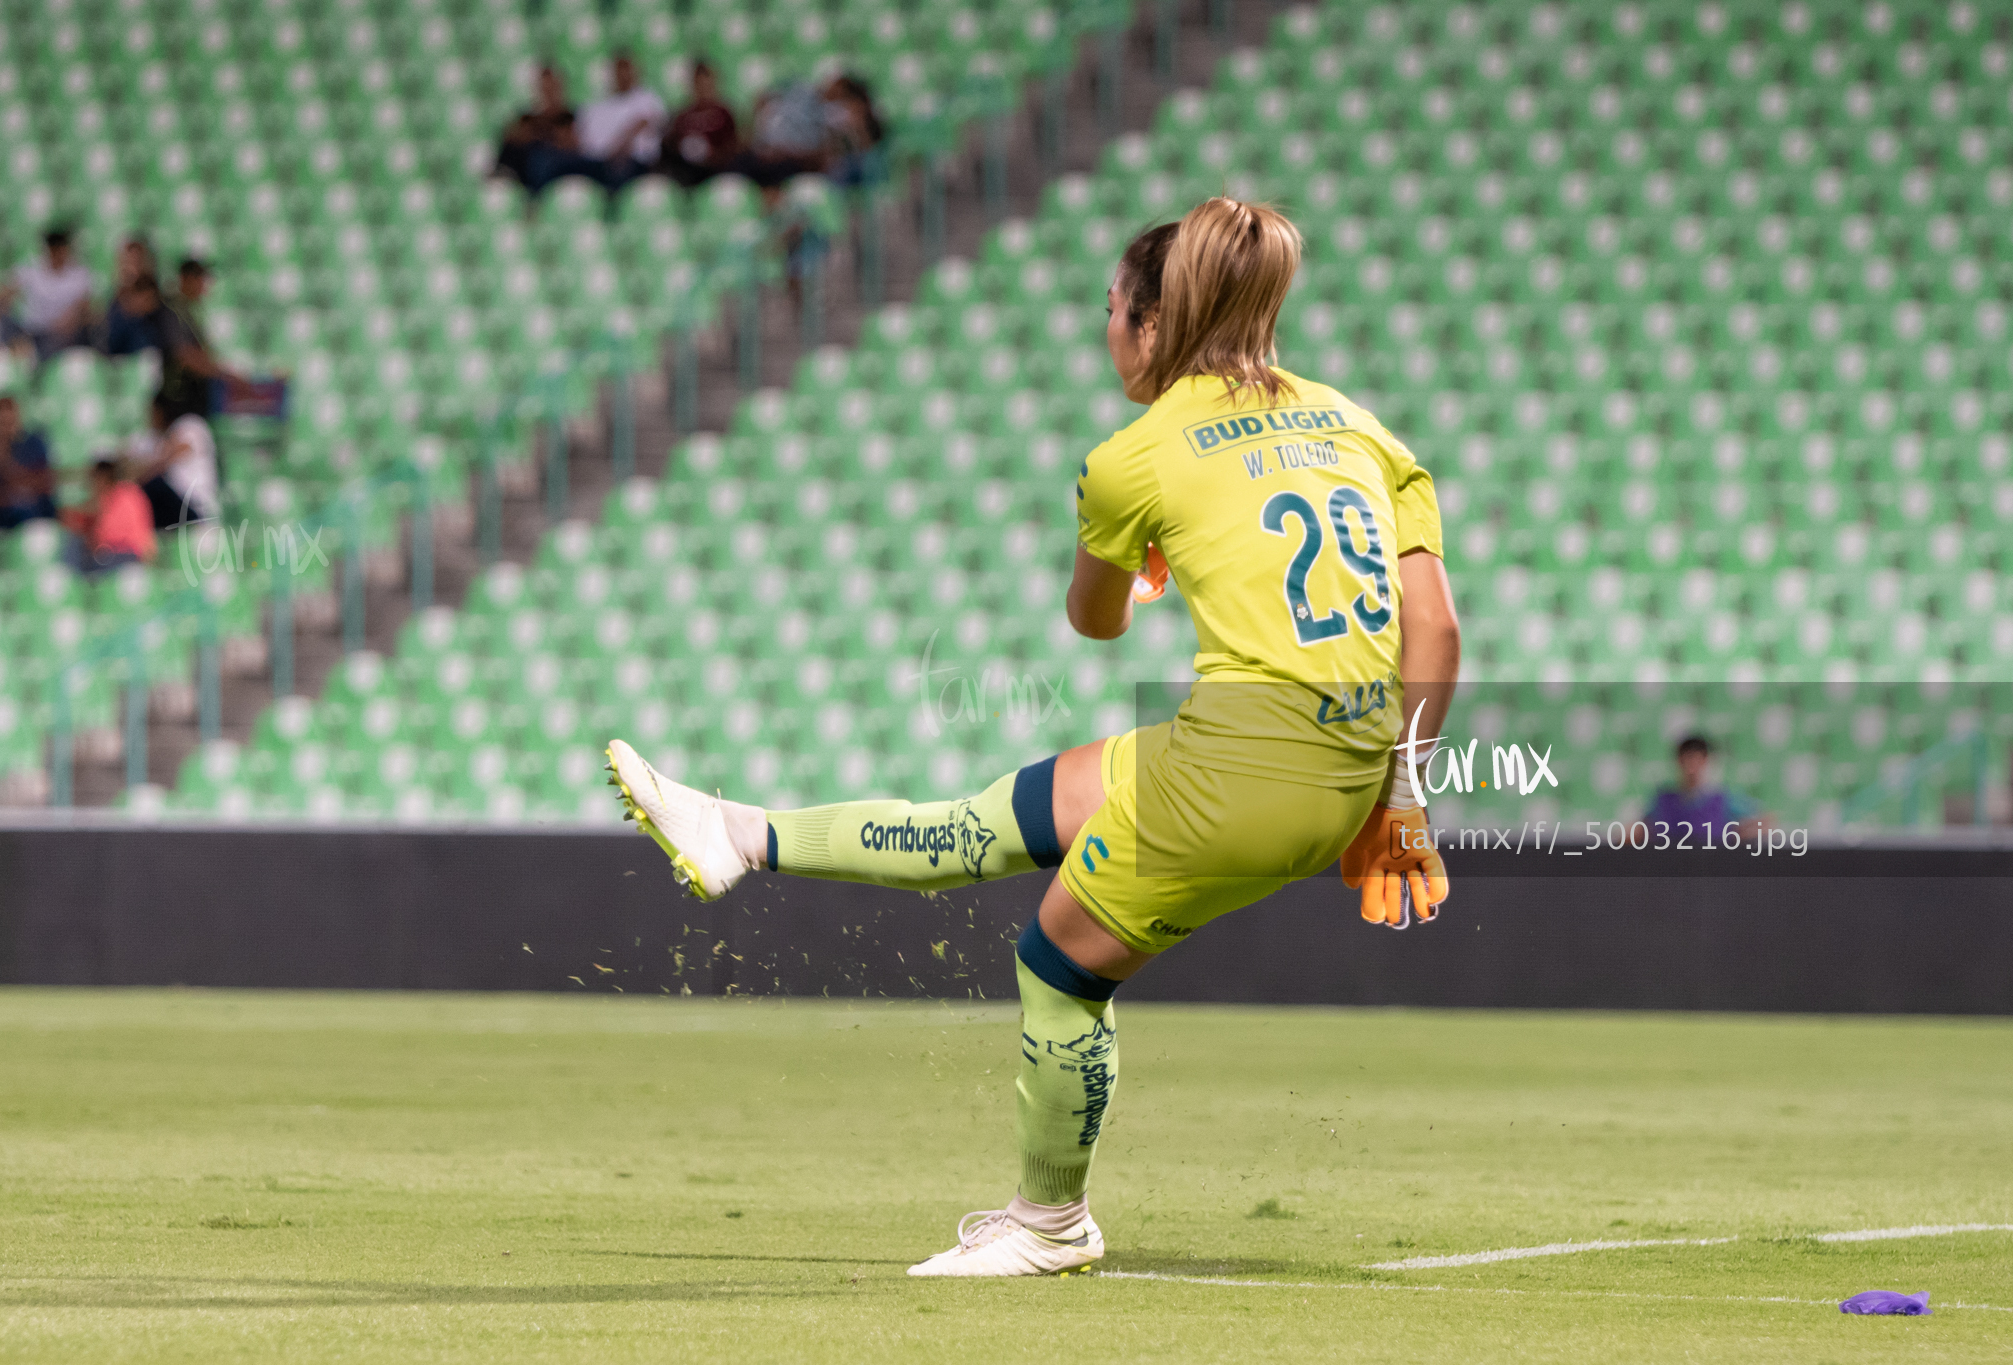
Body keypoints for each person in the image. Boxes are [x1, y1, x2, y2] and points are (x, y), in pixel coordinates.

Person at [604, 199, 1461, 1277]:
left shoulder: (1133, 458)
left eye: (1111, 311)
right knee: (984, 823)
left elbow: (1093, 621)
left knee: (1056, 966)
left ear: (1153, 327)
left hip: (1236, 773)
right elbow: (1432, 628)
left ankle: (1051, 1224)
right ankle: (734, 832)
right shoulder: (1358, 426)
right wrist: (1401, 800)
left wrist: (1142, 565)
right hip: (1340, 763)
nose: (1106, 329)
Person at [156, 259, 250, 424]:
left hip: (193, 398)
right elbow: (184, 354)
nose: (204, 284)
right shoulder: (172, 310)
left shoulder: (188, 310)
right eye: (199, 278)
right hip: (178, 401)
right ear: (185, 279)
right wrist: (225, 375)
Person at [0, 227, 96, 362]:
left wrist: (71, 319)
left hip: (57, 336)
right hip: (29, 329)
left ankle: (30, 357)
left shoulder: (79, 275)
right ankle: (8, 354)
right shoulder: (33, 268)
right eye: (53, 249)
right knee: (3, 321)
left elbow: (85, 308)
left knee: (64, 339)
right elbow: (4, 292)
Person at [496, 65, 601, 197]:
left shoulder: (570, 114)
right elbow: (513, 136)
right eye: (545, 87)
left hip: (558, 162)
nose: (548, 91)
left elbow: (573, 144)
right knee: (513, 151)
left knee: (540, 159)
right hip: (530, 161)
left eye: (552, 86)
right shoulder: (530, 116)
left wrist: (541, 135)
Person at [1644, 734, 1764, 840]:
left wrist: (1741, 834)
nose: (1692, 767)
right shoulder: (1663, 801)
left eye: (1697, 759)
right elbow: (1641, 829)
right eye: (1687, 759)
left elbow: (1763, 822)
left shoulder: (1725, 799)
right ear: (1679, 761)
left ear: (1706, 761)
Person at [0, 394, 59, 531]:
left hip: (28, 508)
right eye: (2, 422)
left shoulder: (34, 444)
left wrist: (5, 465)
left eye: (9, 422)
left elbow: (42, 480)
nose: (6, 427)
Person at [576, 52, 667, 189]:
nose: (623, 74)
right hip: (596, 160)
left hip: (634, 160)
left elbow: (645, 122)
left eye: (627, 69)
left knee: (619, 173)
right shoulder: (598, 103)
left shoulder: (647, 98)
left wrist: (620, 148)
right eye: (619, 70)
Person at [128, 394, 220, 529]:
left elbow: (168, 459)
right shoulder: (157, 438)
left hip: (194, 505)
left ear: (161, 411)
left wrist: (137, 476)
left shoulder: (191, 425)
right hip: (175, 505)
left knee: (151, 485)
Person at [59, 458, 156, 575]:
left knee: (76, 544)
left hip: (125, 555)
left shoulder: (124, 495)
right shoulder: (129, 492)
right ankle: (70, 581)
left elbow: (102, 537)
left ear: (103, 478)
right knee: (76, 542)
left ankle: (70, 580)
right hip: (118, 555)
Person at [661, 59, 741, 188]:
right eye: (699, 85)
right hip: (687, 168)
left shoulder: (723, 113)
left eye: (706, 85)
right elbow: (672, 143)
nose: (703, 90)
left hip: (716, 167)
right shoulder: (683, 115)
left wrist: (714, 154)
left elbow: (733, 145)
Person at [101, 239, 165, 357]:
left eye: (137, 259)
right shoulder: (118, 294)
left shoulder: (151, 287)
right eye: (129, 260)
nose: (133, 264)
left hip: (148, 349)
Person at [820, 73, 885, 187]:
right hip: (846, 159)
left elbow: (867, 139)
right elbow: (833, 145)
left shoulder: (860, 107)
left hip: (868, 155)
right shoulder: (833, 111)